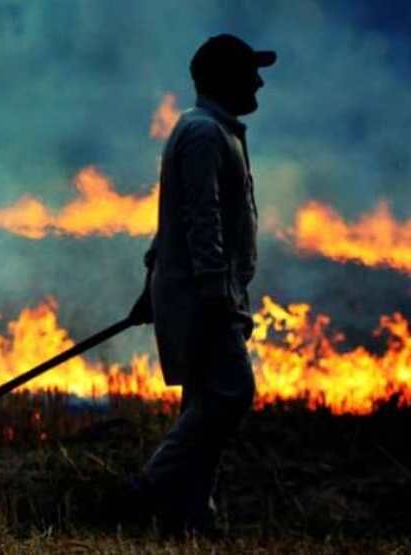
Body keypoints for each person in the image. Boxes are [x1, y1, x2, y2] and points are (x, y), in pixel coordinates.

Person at [128, 33, 277, 536]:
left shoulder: (215, 131)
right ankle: (150, 488)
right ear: (225, 79)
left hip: (209, 292)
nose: (258, 81)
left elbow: (171, 223)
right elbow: (200, 219)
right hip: (205, 296)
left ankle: (191, 516)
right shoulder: (204, 134)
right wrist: (215, 294)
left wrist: (153, 285)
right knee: (232, 393)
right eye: (250, 72)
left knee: (204, 402)